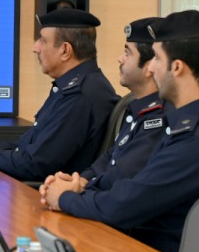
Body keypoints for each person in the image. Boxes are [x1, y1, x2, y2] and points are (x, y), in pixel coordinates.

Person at [42, 10, 199, 252]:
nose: (152, 69)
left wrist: (64, 198)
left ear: (177, 67)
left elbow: (125, 205)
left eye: (157, 59)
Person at [0, 8, 118, 181]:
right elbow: (26, 148)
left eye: (42, 41)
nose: (35, 48)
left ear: (65, 50)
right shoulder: (77, 86)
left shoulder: (81, 95)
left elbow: (34, 165)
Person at [39, 17, 166, 200]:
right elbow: (110, 156)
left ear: (149, 67)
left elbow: (123, 174)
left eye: (127, 53)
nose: (120, 59)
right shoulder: (136, 108)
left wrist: (79, 187)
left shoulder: (159, 117)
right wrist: (80, 179)